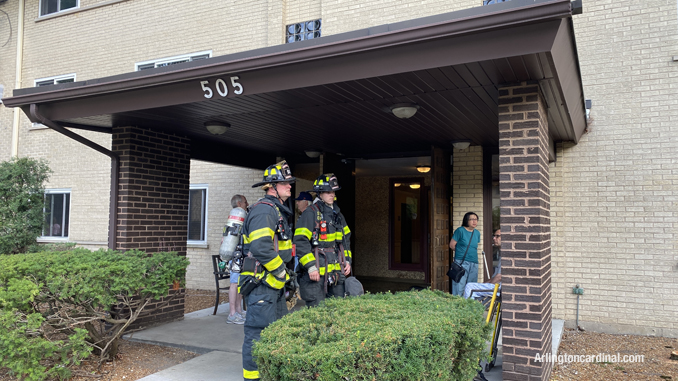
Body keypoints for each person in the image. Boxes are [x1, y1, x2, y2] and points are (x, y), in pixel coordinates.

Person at [240, 161, 296, 381]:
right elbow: (261, 248)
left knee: (276, 333)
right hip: (262, 286)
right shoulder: (265, 211)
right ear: (272, 185)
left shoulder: (275, 210)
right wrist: (282, 272)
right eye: (286, 183)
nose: (290, 186)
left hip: (273, 286)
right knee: (257, 335)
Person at [293, 173, 352, 307]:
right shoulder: (310, 213)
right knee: (316, 311)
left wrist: (347, 261)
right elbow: (300, 242)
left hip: (336, 272)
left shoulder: (337, 214)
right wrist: (311, 267)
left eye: (333, 191)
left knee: (337, 309)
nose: (332, 194)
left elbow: (345, 240)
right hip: (316, 272)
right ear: (319, 193)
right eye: (327, 191)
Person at [226, 194, 249, 324]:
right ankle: (232, 313)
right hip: (236, 256)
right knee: (234, 284)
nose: (247, 204)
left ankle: (239, 310)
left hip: (239, 254)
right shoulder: (236, 219)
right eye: (245, 202)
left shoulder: (237, 219)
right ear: (239, 203)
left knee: (239, 284)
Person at [449, 212, 481, 296]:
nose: (474, 221)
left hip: (474, 262)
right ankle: (457, 305)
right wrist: (461, 252)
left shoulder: (477, 233)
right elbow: (452, 245)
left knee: (472, 286)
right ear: (466, 220)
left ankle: (469, 305)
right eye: (472, 219)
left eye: (476, 219)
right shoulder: (460, 230)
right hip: (461, 262)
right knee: (459, 286)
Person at [463, 229, 501, 299]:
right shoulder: (502, 254)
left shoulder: (506, 255)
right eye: (494, 236)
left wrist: (487, 285)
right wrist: (483, 284)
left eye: (497, 236)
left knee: (469, 287)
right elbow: (494, 278)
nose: (494, 238)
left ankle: (468, 309)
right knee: (474, 286)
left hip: (499, 289)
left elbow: (499, 277)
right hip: (497, 287)